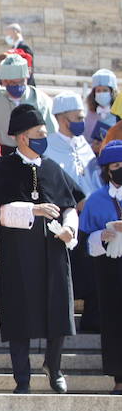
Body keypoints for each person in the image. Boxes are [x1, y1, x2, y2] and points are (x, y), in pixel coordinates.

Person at [0, 106, 84, 394]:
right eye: (39, 134)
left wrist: (69, 228)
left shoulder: (52, 168)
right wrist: (33, 209)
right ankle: (22, 377)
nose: (44, 138)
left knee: (58, 311)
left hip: (53, 252)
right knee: (18, 313)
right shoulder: (4, 168)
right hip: (18, 254)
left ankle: (54, 366)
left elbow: (70, 206)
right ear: (23, 138)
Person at [80, 141, 122, 395]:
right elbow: (87, 239)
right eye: (116, 166)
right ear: (107, 170)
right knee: (114, 321)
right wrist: (104, 234)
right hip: (109, 267)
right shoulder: (96, 199)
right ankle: (119, 377)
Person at [0, 53, 50, 144]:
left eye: (21, 81)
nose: (18, 86)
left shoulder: (40, 100)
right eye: (13, 83)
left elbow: (51, 133)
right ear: (4, 81)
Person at [85, 70, 117, 147]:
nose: (101, 93)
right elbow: (85, 138)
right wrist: (93, 146)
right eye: (98, 91)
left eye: (105, 90)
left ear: (112, 92)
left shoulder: (118, 113)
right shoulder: (90, 114)